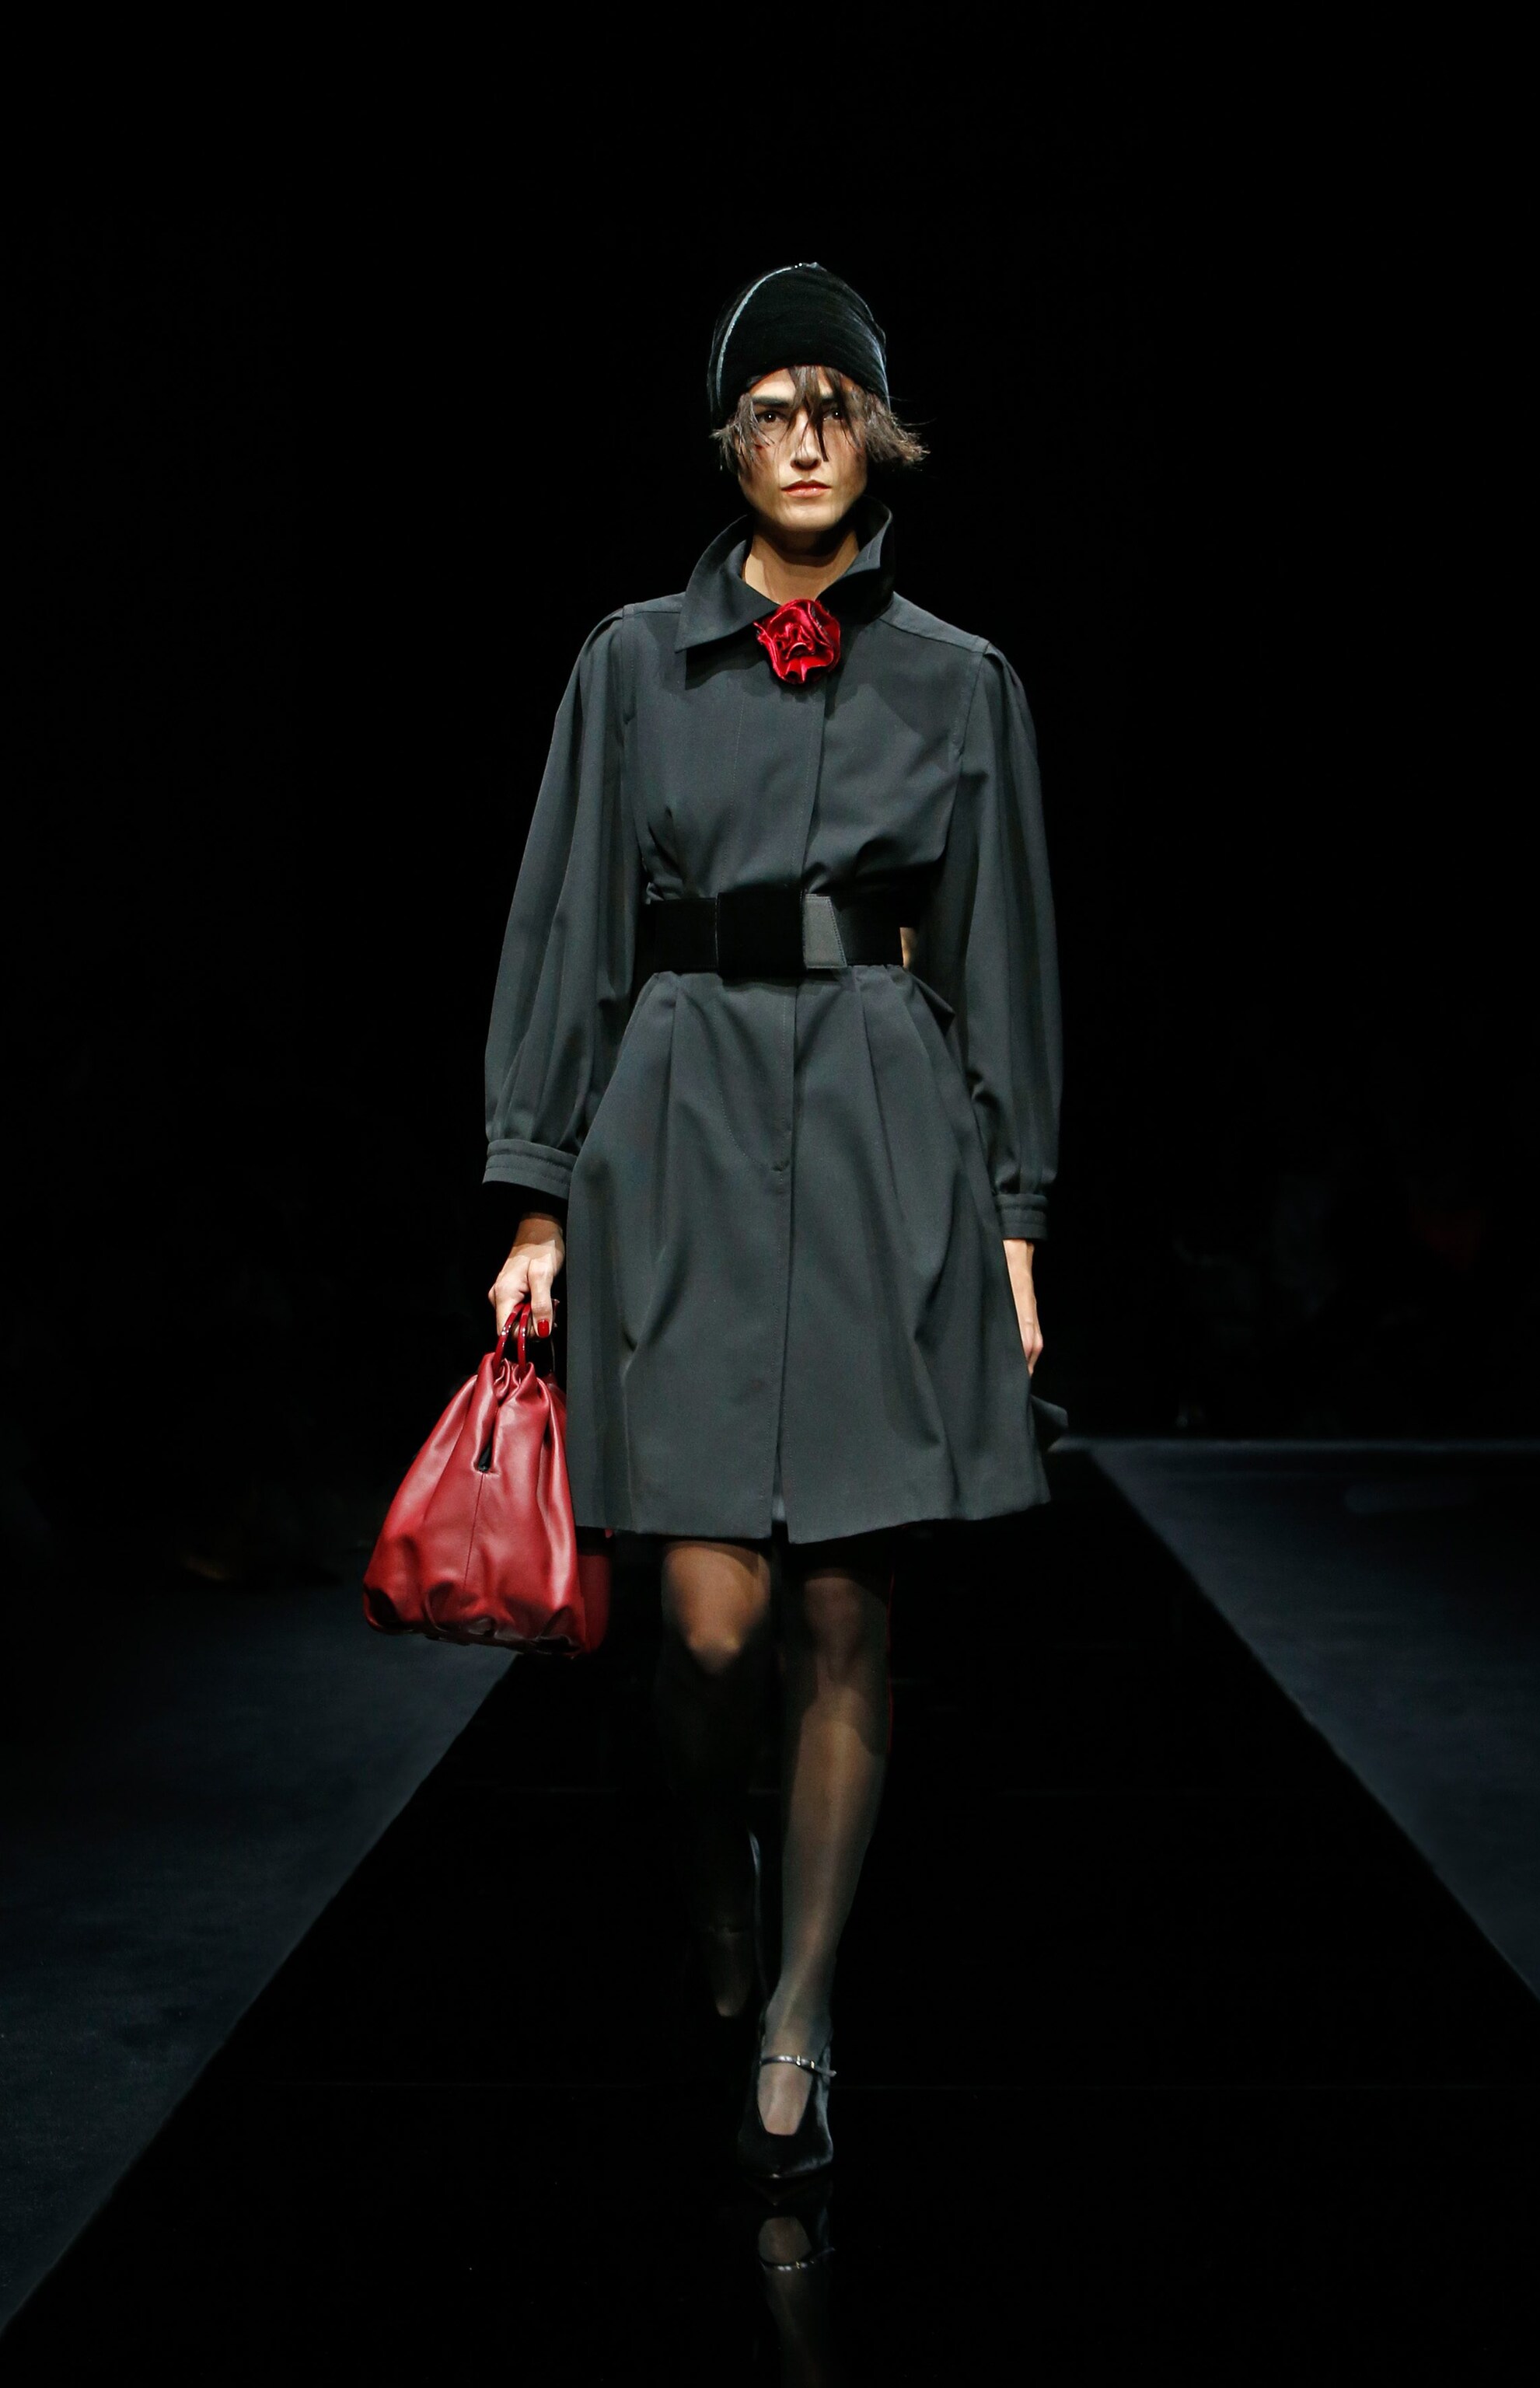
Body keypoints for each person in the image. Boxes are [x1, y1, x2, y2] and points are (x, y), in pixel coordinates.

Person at [483, 264, 1062, 2179]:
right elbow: (566, 923)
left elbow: (1000, 958)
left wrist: (1015, 1223)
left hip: (888, 1144)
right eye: (770, 408)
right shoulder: (630, 663)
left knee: (844, 1608)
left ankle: (800, 2013)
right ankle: (710, 1874)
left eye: (835, 406)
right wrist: (536, 1196)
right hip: (682, 1127)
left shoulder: (959, 681)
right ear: (728, 441)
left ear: (877, 435)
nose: (805, 439)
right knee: (711, 1621)